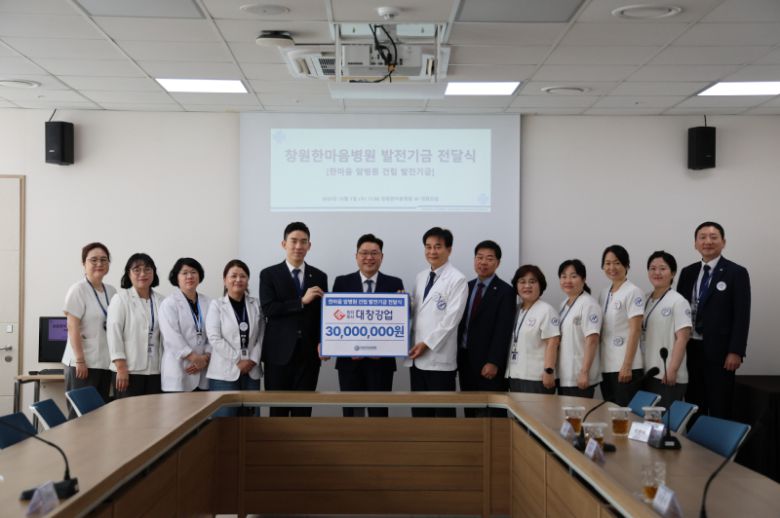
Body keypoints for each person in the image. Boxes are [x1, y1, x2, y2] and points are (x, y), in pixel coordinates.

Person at [677, 221, 751, 420]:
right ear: (695, 243)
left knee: (720, 406)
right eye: (702, 237)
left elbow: (742, 315)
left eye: (713, 237)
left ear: (723, 242)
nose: (707, 241)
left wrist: (736, 351)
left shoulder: (736, 273)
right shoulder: (687, 272)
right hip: (691, 349)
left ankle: (718, 441)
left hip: (721, 353)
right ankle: (693, 440)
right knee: (693, 405)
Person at [332, 233, 404, 417]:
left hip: (381, 363)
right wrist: (347, 348)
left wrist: (404, 306)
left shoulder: (394, 284)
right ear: (356, 256)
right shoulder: (342, 282)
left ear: (382, 256)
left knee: (378, 414)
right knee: (351, 415)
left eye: (374, 253)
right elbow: (334, 321)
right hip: (349, 362)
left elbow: (398, 325)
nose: (369, 257)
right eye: (364, 253)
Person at [260, 222, 327, 417]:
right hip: (278, 355)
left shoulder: (320, 276)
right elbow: (269, 309)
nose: (298, 246)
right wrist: (301, 302)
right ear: (284, 244)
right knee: (277, 412)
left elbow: (323, 315)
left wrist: (325, 341)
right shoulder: (269, 274)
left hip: (309, 355)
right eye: (294, 241)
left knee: (303, 412)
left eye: (303, 242)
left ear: (309, 246)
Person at [403, 227, 468, 417]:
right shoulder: (421, 276)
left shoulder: (457, 279)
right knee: (420, 414)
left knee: (442, 415)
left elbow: (451, 320)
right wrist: (402, 303)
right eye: (428, 247)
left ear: (449, 249)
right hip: (416, 357)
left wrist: (426, 344)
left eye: (438, 247)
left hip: (439, 359)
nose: (432, 251)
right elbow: (418, 311)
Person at [456, 240, 515, 416]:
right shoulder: (466, 287)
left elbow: (503, 330)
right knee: (470, 410)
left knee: (491, 413)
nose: (483, 262)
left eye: (489, 258)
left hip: (488, 363)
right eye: (479, 257)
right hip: (465, 359)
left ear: (498, 263)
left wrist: (494, 361)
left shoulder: (506, 291)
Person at [62, 242, 117, 416]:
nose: (99, 263)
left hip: (104, 362)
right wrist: (80, 360)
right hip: (82, 363)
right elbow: (72, 326)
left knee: (99, 415)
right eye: (93, 260)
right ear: (83, 263)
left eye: (103, 259)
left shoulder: (111, 291)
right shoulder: (78, 289)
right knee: (80, 415)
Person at [206, 260, 263, 416]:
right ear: (225, 280)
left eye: (243, 276)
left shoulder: (256, 304)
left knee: (252, 421)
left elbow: (261, 335)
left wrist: (253, 359)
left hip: (251, 370)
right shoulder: (216, 305)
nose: (238, 280)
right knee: (224, 420)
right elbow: (214, 337)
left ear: (247, 280)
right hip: (224, 373)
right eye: (233, 276)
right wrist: (238, 360)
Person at [107, 253, 165, 398]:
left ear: (154, 273)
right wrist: (121, 368)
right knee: (128, 412)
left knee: (153, 411)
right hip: (129, 370)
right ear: (129, 273)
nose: (142, 274)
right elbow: (114, 334)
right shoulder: (120, 299)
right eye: (137, 270)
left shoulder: (162, 301)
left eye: (147, 269)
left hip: (155, 370)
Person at [642, 251, 692, 408]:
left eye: (663, 268)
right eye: (652, 268)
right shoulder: (644, 299)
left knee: (662, 421)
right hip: (647, 373)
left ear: (673, 273)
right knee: (645, 420)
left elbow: (682, 338)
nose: (657, 272)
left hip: (667, 375)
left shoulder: (678, 301)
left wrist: (672, 370)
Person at [598, 245, 645, 406]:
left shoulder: (633, 292)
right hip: (607, 366)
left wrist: (627, 366)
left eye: (617, 263)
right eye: (608, 263)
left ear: (626, 265)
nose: (612, 267)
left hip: (626, 367)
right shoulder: (604, 293)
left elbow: (635, 330)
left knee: (625, 414)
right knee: (611, 413)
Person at [159, 258, 212, 392]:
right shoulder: (169, 303)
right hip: (179, 369)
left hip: (204, 369)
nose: (189, 276)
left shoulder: (209, 302)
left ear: (199, 276)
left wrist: (205, 358)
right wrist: (194, 358)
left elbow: (214, 333)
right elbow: (171, 336)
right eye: (184, 273)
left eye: (193, 272)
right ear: (176, 277)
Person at [506, 265, 561, 394]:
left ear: (540, 285)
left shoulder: (546, 310)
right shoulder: (515, 310)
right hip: (514, 375)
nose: (527, 286)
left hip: (537, 378)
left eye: (532, 282)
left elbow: (553, 343)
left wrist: (549, 371)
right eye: (522, 282)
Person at [557, 259, 602, 398]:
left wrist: (584, 372)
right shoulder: (563, 305)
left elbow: (592, 339)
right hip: (565, 375)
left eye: (573, 276)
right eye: (563, 276)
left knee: (579, 412)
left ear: (583, 279)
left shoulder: (589, 304)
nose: (567, 280)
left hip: (579, 376)